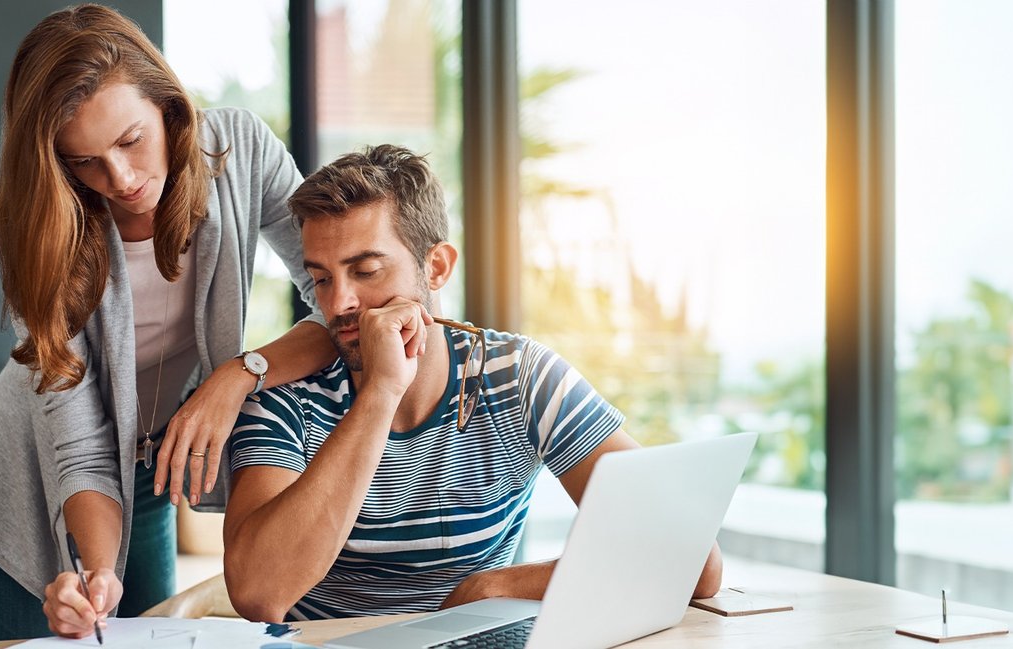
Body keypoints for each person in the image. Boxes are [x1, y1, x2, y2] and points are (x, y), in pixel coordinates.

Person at [0, 4, 338, 641]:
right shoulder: (44, 236)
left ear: (168, 107)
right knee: (92, 619)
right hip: (24, 494)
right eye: (84, 161)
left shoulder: (240, 153)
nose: (119, 179)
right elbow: (76, 443)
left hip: (148, 470)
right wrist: (94, 575)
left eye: (130, 141)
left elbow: (336, 298)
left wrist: (240, 375)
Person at [221, 144, 724, 622]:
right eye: (322, 279)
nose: (338, 304)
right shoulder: (285, 399)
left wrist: (495, 587)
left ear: (435, 267)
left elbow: (693, 561)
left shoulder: (518, 375)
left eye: (367, 270)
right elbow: (258, 595)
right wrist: (381, 392)